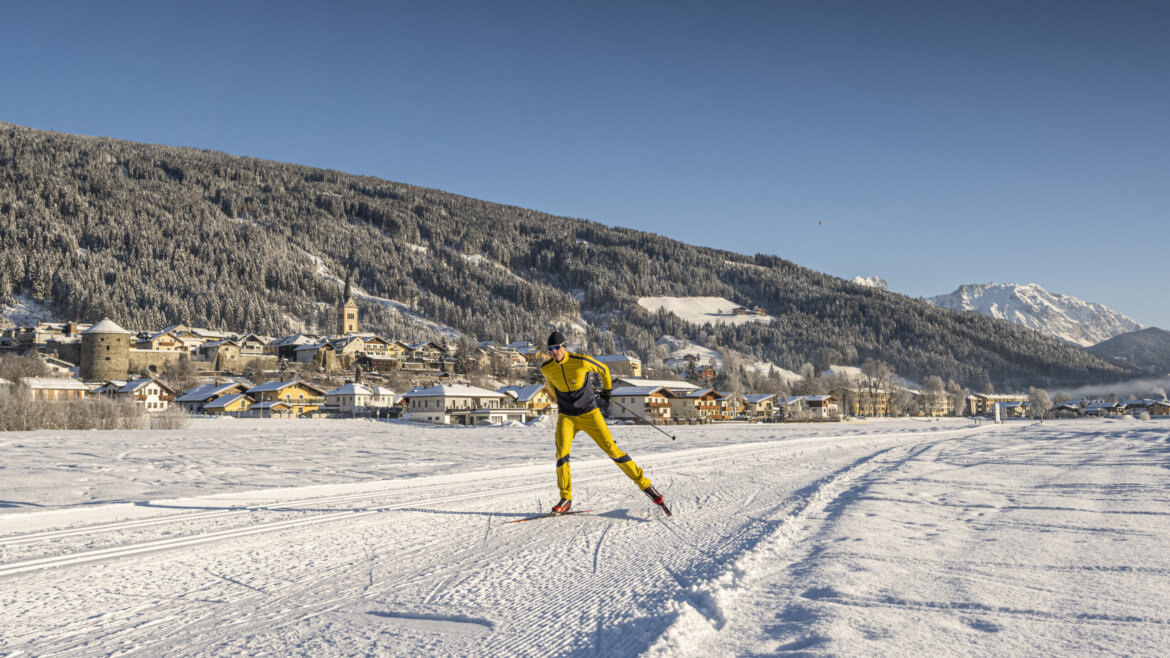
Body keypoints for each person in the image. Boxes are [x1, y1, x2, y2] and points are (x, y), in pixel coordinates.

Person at [540, 330, 666, 514]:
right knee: (561, 454)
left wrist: (607, 390)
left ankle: (646, 486)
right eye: (551, 349)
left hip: (590, 414)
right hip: (567, 416)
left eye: (557, 347)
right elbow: (552, 385)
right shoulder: (547, 368)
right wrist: (561, 402)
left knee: (612, 450)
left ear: (564, 346)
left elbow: (604, 369)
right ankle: (565, 498)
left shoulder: (581, 361)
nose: (554, 352)